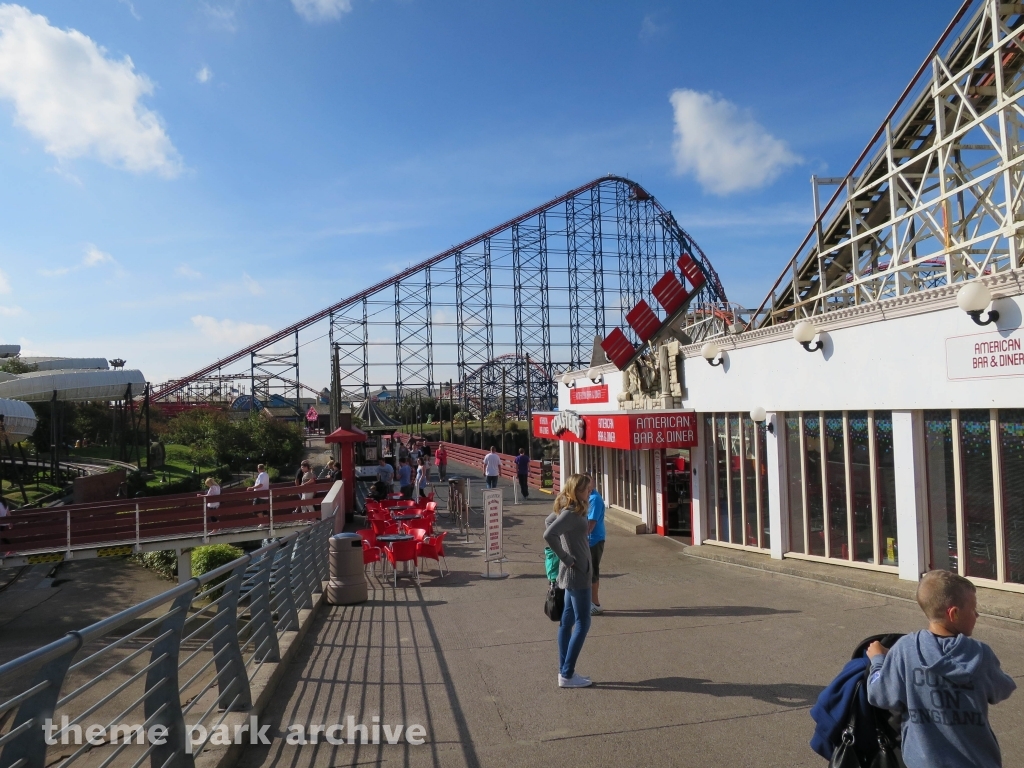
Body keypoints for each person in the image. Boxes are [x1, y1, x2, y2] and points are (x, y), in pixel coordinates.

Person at [867, 570, 1016, 768]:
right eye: (973, 609)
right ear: (953, 613)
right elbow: (1001, 690)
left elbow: (879, 694)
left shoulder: (904, 649)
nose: (977, 615)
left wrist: (878, 661)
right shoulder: (980, 654)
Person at [543, 473, 594, 688]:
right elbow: (549, 533)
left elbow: (549, 521)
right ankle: (567, 673)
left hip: (575, 573)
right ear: (577, 490)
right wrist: (566, 557)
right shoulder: (571, 512)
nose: (590, 492)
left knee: (568, 621)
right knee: (583, 622)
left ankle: (564, 672)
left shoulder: (572, 509)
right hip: (577, 574)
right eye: (586, 489)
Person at [587, 484, 606, 616]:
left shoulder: (594, 499)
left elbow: (591, 522)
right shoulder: (587, 497)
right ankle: (592, 602)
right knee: (591, 571)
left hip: (593, 539)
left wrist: (582, 538)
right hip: (591, 539)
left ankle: (595, 603)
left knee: (593, 571)